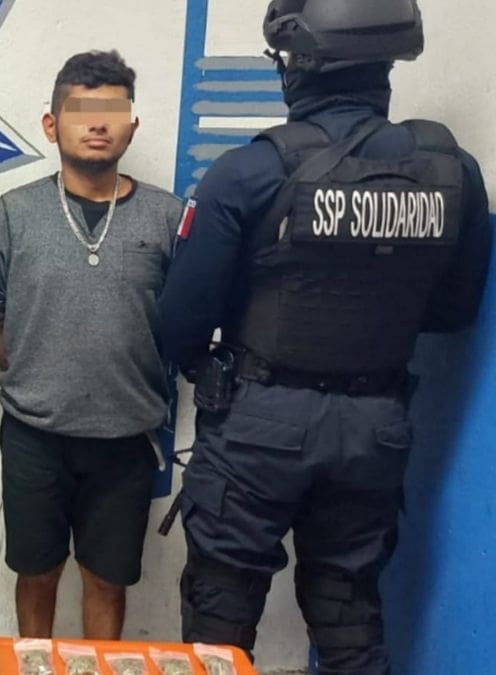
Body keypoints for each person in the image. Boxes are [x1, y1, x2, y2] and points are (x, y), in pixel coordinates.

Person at [157, 2, 492, 672]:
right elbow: (453, 311)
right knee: (349, 614)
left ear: (301, 65)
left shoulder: (250, 171)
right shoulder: (453, 171)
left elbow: (178, 324)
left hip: (259, 423)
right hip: (374, 427)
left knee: (220, 618)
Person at [0, 50, 181, 640]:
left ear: (131, 126)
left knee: (106, 581)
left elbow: (184, 320)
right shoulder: (15, 212)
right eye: (81, 110)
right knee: (36, 574)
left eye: (112, 110)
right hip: (34, 435)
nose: (97, 123)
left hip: (126, 439)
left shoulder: (166, 216)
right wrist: (35, 375)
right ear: (51, 124)